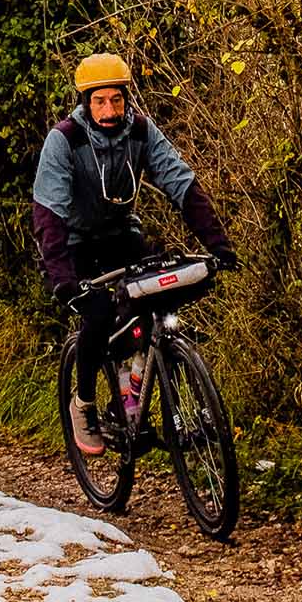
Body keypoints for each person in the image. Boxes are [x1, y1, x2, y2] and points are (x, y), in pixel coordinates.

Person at [32, 51, 236, 458]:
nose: (109, 110)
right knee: (99, 314)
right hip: (74, 243)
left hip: (122, 235)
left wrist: (218, 244)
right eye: (100, 101)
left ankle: (128, 399)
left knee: (153, 298)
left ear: (127, 99)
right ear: (86, 103)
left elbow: (181, 184)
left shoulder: (141, 132)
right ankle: (84, 405)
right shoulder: (65, 139)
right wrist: (63, 279)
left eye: (117, 100)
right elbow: (48, 214)